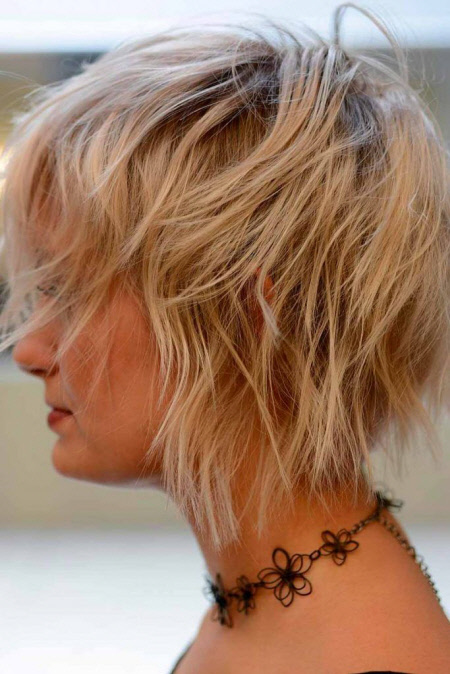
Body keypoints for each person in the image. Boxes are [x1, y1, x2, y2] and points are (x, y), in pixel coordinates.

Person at [0, 3, 449, 673]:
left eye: (71, 293)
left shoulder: (359, 651)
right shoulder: (269, 602)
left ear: (255, 319)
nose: (29, 352)